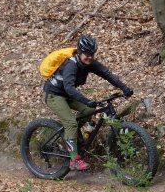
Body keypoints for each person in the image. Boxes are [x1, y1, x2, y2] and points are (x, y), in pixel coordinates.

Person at [42, 35, 134, 170]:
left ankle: (72, 136)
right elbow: (69, 88)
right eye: (87, 54)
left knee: (89, 110)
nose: (90, 57)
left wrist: (124, 88)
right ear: (79, 52)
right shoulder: (71, 65)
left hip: (67, 94)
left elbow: (107, 74)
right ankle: (74, 160)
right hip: (54, 95)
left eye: (92, 54)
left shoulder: (90, 63)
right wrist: (86, 100)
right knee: (71, 123)